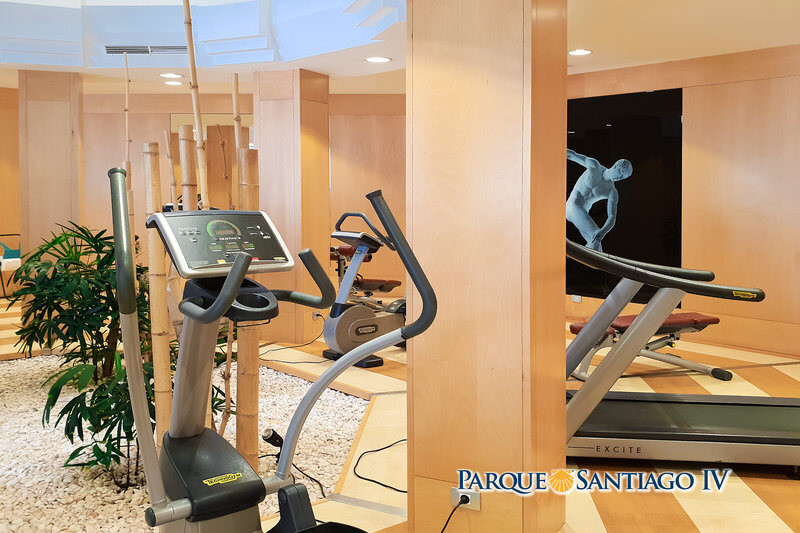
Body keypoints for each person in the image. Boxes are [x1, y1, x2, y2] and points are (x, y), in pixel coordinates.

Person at [566, 149, 633, 251]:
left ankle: (574, 254)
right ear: (616, 166)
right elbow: (572, 155)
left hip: (582, 212)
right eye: (620, 173)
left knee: (595, 244)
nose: (619, 177)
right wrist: (555, 149)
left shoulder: (612, 191)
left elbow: (612, 216)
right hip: (572, 205)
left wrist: (602, 231)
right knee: (595, 240)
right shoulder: (594, 166)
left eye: (622, 177)